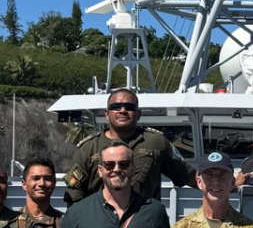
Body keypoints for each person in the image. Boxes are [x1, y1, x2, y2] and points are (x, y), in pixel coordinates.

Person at [63, 87, 194, 203]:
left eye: (129, 107)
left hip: (144, 222)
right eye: (116, 107)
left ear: (138, 114)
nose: (123, 110)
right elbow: (74, 191)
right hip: (101, 225)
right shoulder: (88, 148)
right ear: (107, 114)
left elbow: (188, 176)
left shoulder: (156, 142)